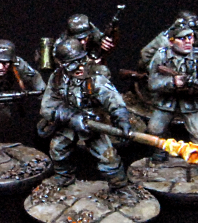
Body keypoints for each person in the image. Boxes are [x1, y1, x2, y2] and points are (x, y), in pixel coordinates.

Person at [38, 38, 131, 188]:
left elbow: (113, 99)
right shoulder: (57, 78)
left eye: (81, 60)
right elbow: (47, 107)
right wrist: (70, 117)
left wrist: (121, 118)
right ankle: (64, 176)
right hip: (68, 123)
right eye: (73, 63)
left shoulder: (95, 77)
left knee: (108, 157)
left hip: (91, 124)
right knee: (57, 148)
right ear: (62, 64)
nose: (80, 66)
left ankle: (120, 186)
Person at [146, 21, 198, 154]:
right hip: (166, 101)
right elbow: (153, 83)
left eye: (190, 37)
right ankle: (160, 153)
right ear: (171, 41)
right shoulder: (161, 55)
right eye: (182, 38)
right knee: (154, 129)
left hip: (191, 102)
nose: (188, 41)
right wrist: (172, 82)